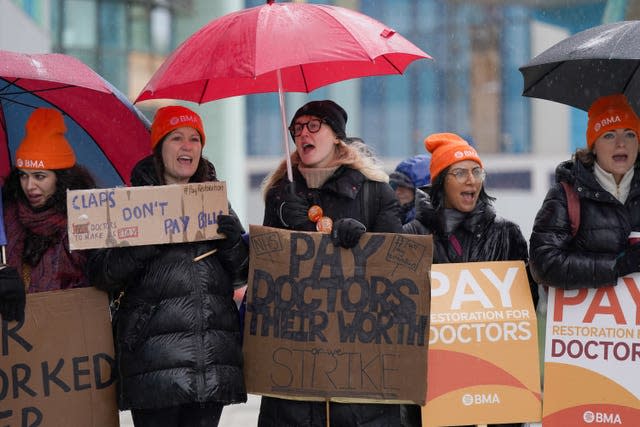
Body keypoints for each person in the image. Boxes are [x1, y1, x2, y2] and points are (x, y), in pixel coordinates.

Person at [87, 105, 248, 427]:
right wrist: (146, 240)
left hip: (211, 362)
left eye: (194, 139)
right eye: (176, 138)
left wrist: (233, 244)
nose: (187, 146)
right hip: (154, 365)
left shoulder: (216, 201)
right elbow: (102, 274)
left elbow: (242, 275)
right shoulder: (130, 202)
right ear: (159, 148)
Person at [258, 99, 404, 427]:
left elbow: (396, 270)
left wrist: (360, 244)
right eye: (296, 129)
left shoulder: (376, 192)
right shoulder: (280, 195)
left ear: (336, 135)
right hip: (294, 362)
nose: (302, 134)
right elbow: (268, 272)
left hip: (359, 363)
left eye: (313, 126)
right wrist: (287, 224)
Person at [405, 132, 536, 427]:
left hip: (497, 376)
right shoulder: (412, 235)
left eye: (477, 171)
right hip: (434, 381)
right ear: (440, 182)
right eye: (460, 172)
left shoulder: (507, 234)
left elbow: (526, 305)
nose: (471, 180)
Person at [530, 94, 640, 289]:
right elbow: (543, 264)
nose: (621, 143)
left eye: (630, 134)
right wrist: (618, 266)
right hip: (588, 318)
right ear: (594, 146)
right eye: (609, 135)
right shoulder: (566, 194)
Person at [0, 107, 96, 322]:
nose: (30, 186)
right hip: (13, 341)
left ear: (61, 179)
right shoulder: (5, 217)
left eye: (40, 176)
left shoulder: (85, 220)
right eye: (23, 176)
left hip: (66, 335)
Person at [389, 153, 431, 225]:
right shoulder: (394, 214)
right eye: (395, 186)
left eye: (404, 187)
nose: (397, 192)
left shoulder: (426, 223)